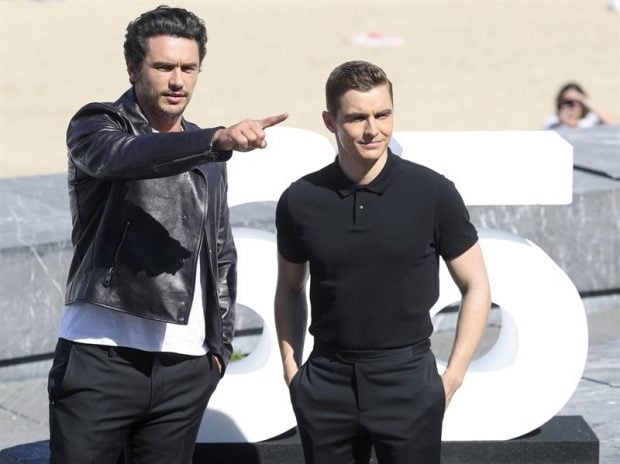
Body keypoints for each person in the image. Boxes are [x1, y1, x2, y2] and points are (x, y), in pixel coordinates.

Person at [47, 5, 287, 464]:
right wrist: (214, 141)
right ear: (133, 68)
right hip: (101, 358)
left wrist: (217, 348)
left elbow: (219, 253)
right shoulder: (97, 126)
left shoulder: (205, 148)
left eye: (188, 68)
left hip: (185, 370)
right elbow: (122, 158)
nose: (177, 80)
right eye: (163, 67)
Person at [275, 60, 491, 464]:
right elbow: (289, 287)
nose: (373, 129)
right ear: (330, 120)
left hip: (407, 379)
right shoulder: (300, 199)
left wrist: (453, 378)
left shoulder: (433, 192)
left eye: (383, 114)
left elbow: (476, 285)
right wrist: (293, 371)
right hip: (326, 381)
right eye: (357, 118)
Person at [542, 81, 614, 129]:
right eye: (567, 102)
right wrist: (562, 122)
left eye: (575, 102)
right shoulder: (554, 120)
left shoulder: (590, 120)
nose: (570, 107)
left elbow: (612, 125)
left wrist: (582, 98)